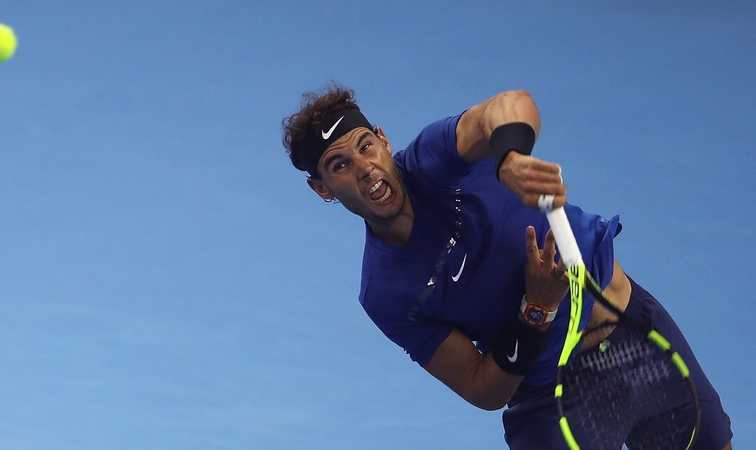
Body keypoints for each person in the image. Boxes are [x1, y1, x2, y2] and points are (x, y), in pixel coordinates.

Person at [281, 83, 732, 449]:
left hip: (633, 334)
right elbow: (482, 388)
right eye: (340, 165)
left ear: (383, 139)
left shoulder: (437, 159)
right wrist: (536, 310)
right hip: (551, 398)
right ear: (321, 189)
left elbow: (510, 104)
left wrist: (512, 156)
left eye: (366, 147)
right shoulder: (386, 292)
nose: (364, 168)